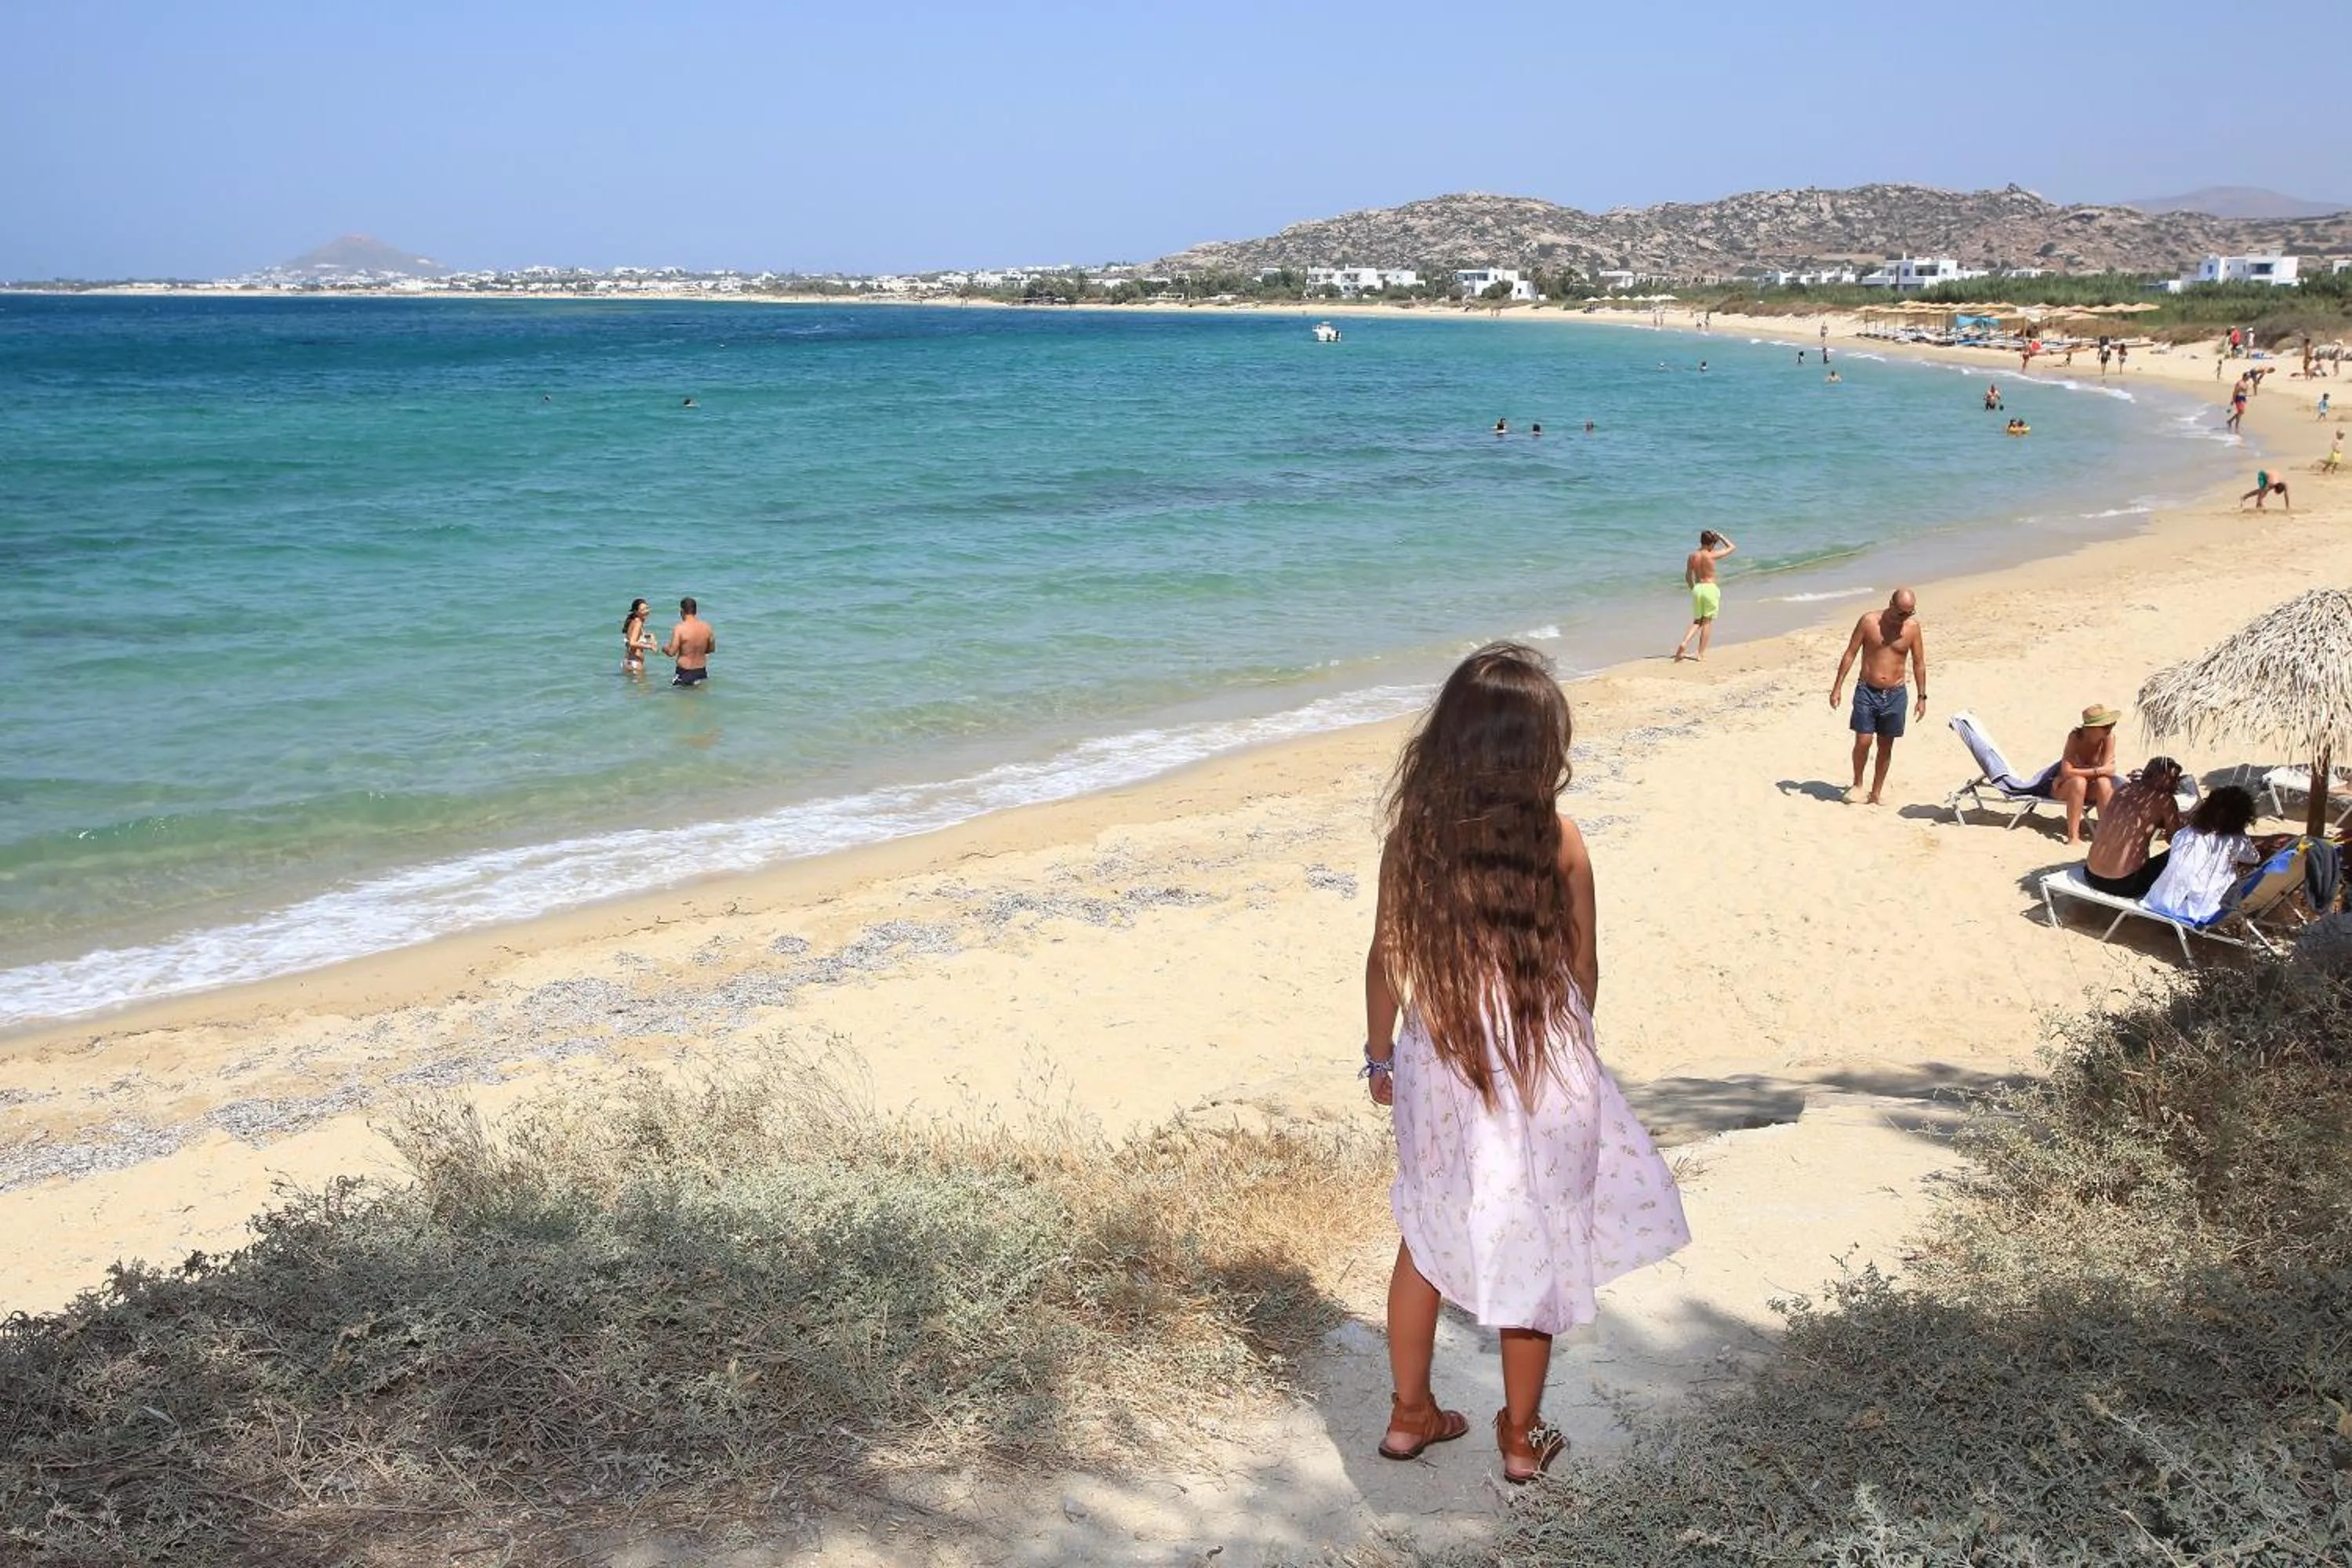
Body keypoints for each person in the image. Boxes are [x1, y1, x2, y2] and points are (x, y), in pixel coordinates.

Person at [1363, 643, 1688, 1485]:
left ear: (1448, 740)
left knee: (1427, 1233)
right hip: (1543, 1060)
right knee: (1533, 1238)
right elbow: (1584, 969)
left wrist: (1376, 1058)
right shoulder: (1563, 839)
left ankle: (1409, 1416)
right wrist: (1562, 1047)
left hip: (1443, 1059)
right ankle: (1519, 1435)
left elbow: (1384, 961)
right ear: (1540, 747)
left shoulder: (1415, 840)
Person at [1829, 589, 1928, 805]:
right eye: (1901, 612)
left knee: (1886, 745)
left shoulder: (1912, 628)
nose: (1905, 618)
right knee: (1863, 741)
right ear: (1890, 603)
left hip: (1895, 694)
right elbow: (1850, 653)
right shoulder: (1868, 621)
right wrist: (1837, 687)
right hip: (1867, 690)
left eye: (1909, 613)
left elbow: (1919, 663)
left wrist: (1922, 697)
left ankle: (1877, 791)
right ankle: (1857, 784)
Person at [2144, 786, 2263, 925]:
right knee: (2244, 870)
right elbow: (2254, 858)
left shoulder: (2185, 834)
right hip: (2204, 909)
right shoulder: (2236, 840)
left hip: (2161, 900)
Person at [2083, 757, 2187, 899]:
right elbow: (2175, 841)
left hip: (2090, 875)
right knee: (2181, 853)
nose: (2176, 784)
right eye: (2173, 779)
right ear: (2158, 777)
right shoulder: (2164, 800)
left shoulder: (2124, 789)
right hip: (2126, 884)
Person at [2053, 705, 2122, 846]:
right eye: (2106, 726)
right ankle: (2073, 836)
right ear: (2091, 728)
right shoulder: (2075, 738)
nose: (2110, 729)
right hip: (2066, 787)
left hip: (2089, 788)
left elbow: (2109, 771)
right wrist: (2097, 771)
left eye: (2112, 725)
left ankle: (2105, 835)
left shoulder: (2109, 738)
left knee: (2104, 783)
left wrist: (2087, 772)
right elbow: (2067, 772)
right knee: (2078, 782)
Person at [1672, 529, 1737, 662]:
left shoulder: (1692, 556)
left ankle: (1684, 643)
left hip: (1698, 589)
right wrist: (1721, 536)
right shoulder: (1711, 555)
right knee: (1707, 622)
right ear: (1711, 544)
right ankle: (1700, 654)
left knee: (1697, 621)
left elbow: (1688, 576)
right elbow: (1732, 547)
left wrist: (1693, 589)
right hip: (1710, 588)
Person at [663, 597, 716, 686]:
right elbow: (711, 649)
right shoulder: (707, 627)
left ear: (682, 611)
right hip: (701, 673)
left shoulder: (680, 628)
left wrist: (664, 648)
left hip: (684, 673)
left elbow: (672, 652)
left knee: (680, 699)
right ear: (695, 611)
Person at [620, 597, 656, 677]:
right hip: (634, 664)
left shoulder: (634, 621)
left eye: (647, 608)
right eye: (643, 610)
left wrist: (651, 635)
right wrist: (650, 646)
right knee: (645, 689)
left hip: (628, 662)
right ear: (636, 612)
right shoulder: (638, 623)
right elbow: (632, 643)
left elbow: (636, 636)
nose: (646, 611)